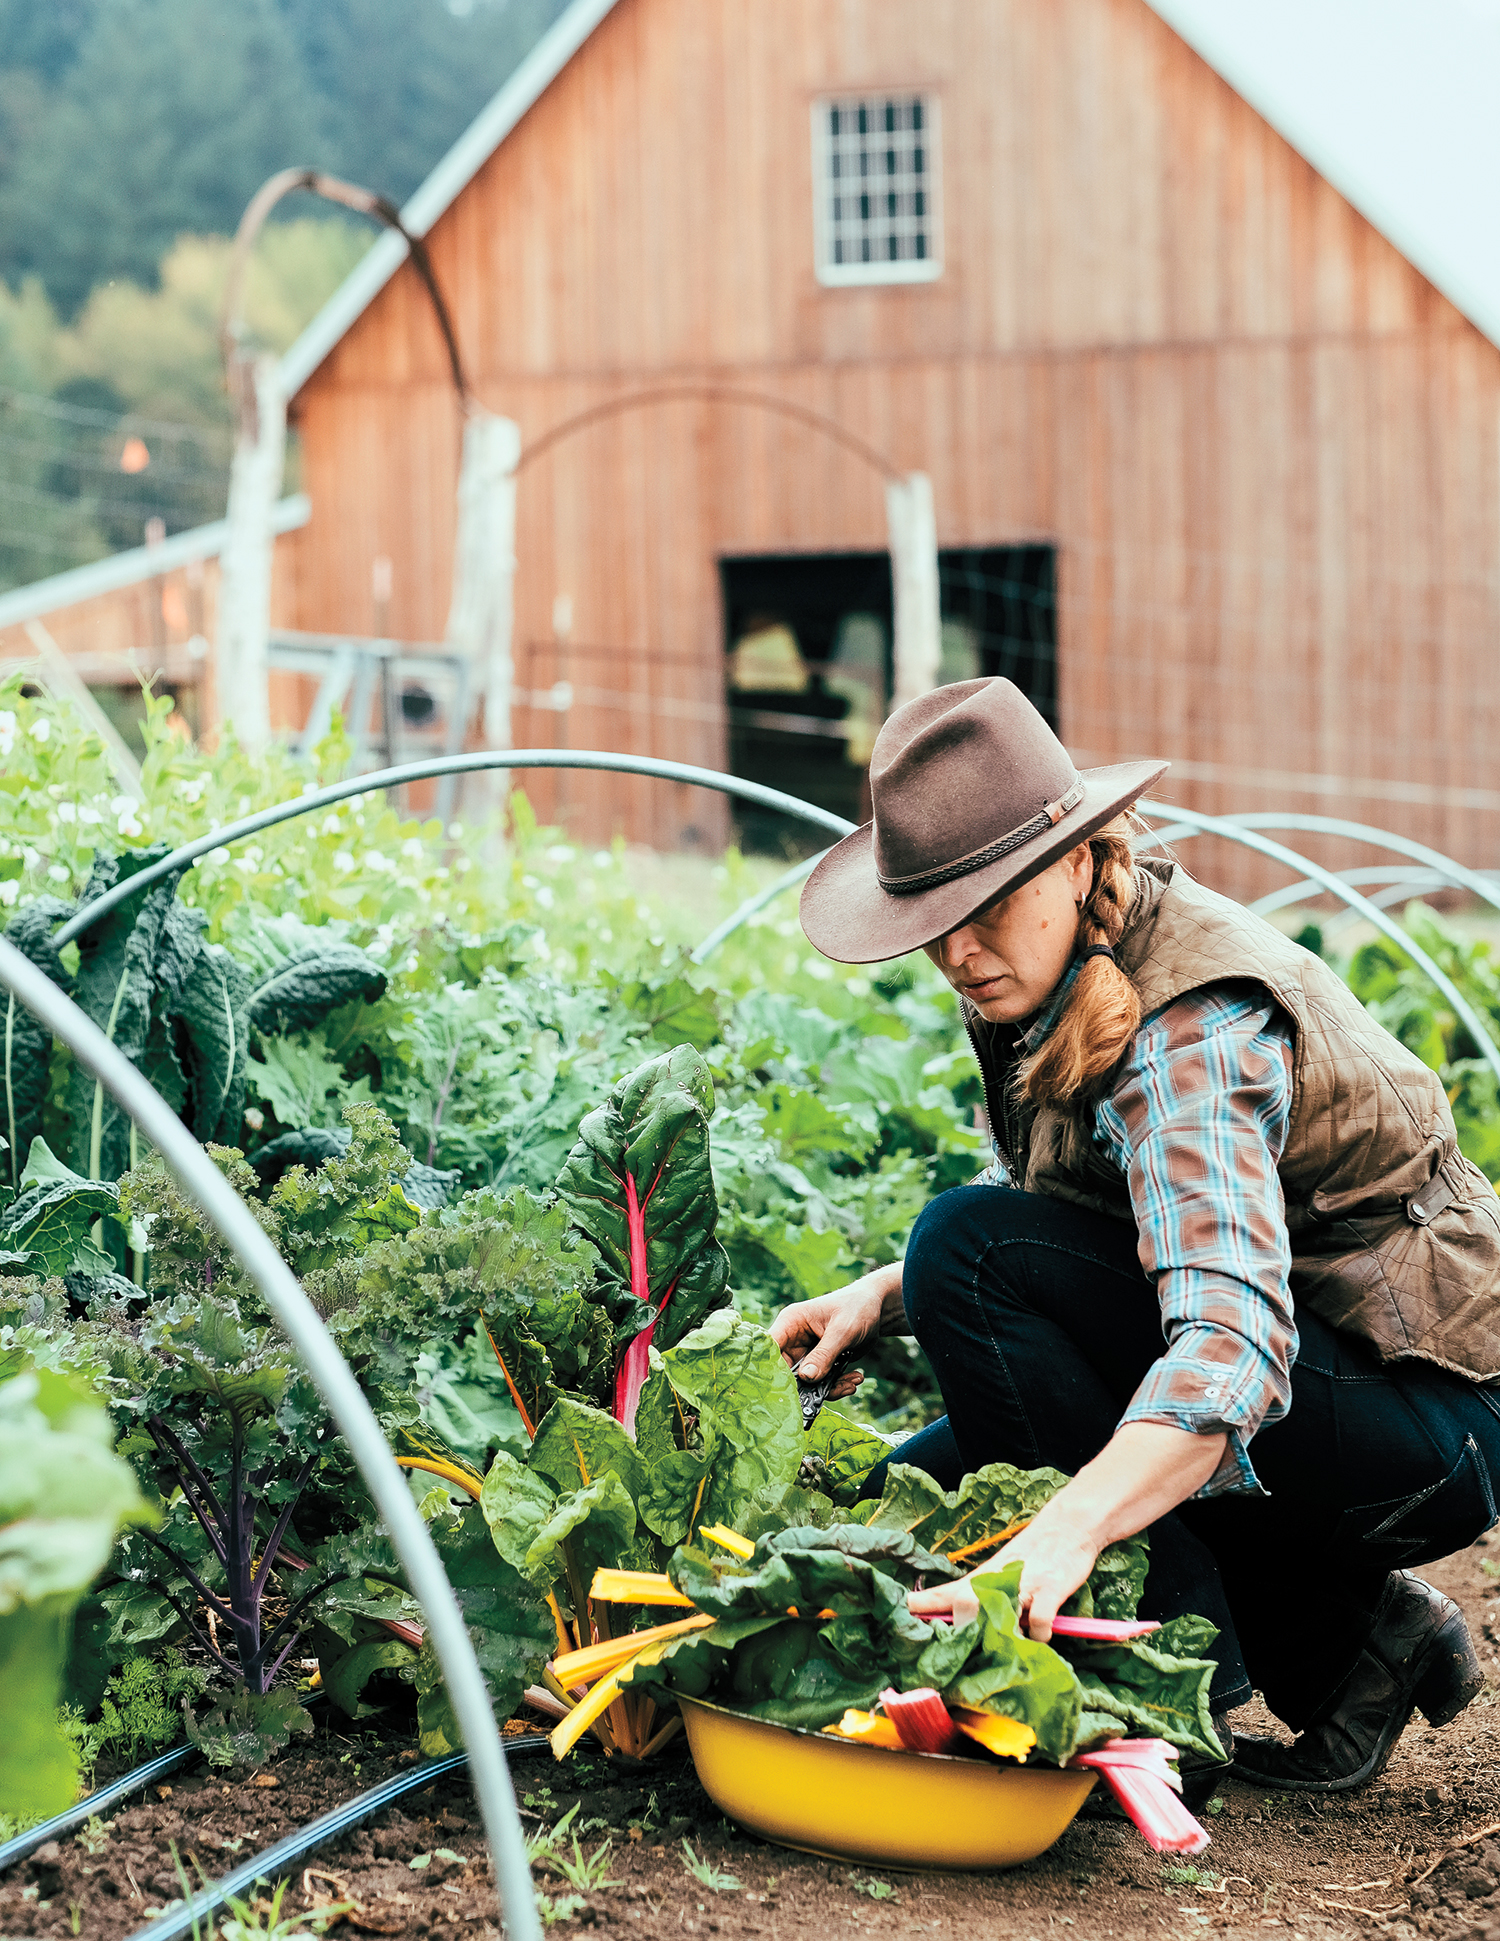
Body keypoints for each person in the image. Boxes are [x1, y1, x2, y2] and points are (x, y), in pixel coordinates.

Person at [772, 677, 1500, 1797]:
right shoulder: (1069, 957)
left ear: (1072, 860)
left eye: (986, 909)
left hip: (1432, 1408)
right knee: (894, 1500)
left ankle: (1171, 1686)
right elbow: (1096, 1212)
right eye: (934, 927)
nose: (959, 954)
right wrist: (884, 1291)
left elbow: (1231, 1345)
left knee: (968, 1255)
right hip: (1337, 1374)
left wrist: (1065, 1535)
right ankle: (1361, 1649)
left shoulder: (1190, 1034)